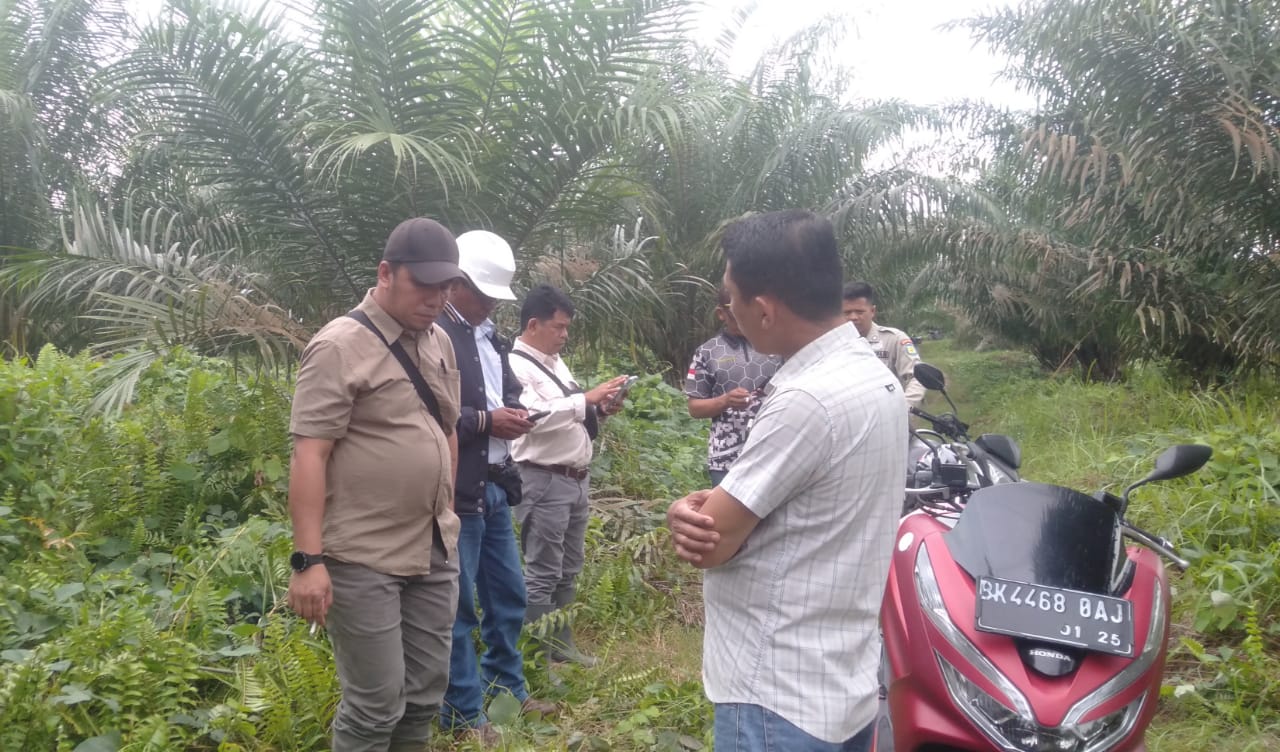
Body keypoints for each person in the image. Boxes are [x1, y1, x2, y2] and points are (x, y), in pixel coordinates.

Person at [666, 210, 907, 752]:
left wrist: (687, 514)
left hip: (777, 691)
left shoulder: (806, 399)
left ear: (764, 309)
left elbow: (710, 542)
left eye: (731, 298)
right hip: (841, 679)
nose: (728, 310)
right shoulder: (874, 377)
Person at [287, 217, 464, 752]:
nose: (436, 299)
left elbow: (447, 429)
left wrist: (447, 510)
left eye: (446, 286)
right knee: (375, 705)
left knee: (425, 696)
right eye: (424, 285)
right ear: (386, 273)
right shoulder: (339, 346)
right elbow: (310, 454)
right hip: (363, 555)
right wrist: (307, 561)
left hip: (432, 547)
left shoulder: (439, 341)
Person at [438, 231, 555, 743]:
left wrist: (516, 413)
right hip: (457, 490)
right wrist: (487, 421)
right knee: (458, 606)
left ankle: (506, 688)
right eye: (482, 294)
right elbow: (429, 416)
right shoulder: (435, 335)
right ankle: (463, 715)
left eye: (494, 297)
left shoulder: (489, 338)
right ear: (456, 282)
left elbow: (504, 393)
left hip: (492, 486)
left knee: (508, 595)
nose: (489, 305)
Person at [507, 284, 629, 666]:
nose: (564, 335)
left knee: (568, 568)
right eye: (558, 327)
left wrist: (600, 409)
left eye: (567, 328)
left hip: (575, 478)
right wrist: (584, 400)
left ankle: (562, 647)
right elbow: (531, 419)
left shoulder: (555, 362)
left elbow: (569, 414)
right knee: (542, 570)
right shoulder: (515, 365)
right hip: (542, 478)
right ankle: (538, 659)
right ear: (533, 324)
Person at [685, 285, 781, 486]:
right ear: (721, 313)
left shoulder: (779, 344)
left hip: (774, 453)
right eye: (733, 310)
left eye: (747, 308)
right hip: (726, 458)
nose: (741, 316)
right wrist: (725, 401)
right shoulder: (707, 352)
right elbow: (695, 408)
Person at [841, 281, 925, 408]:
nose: (853, 317)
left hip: (889, 412)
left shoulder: (894, 339)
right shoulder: (835, 344)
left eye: (859, 312)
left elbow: (917, 377)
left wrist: (904, 408)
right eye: (847, 312)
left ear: (872, 311)